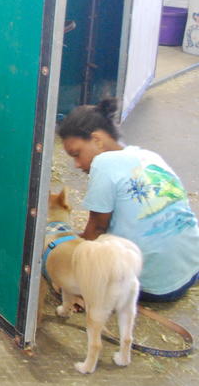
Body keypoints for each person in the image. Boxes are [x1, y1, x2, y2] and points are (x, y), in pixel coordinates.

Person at [58, 98, 199, 302]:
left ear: (97, 139)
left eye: (77, 154)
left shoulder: (103, 165)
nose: (77, 164)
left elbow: (96, 230)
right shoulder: (148, 156)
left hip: (154, 286)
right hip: (192, 267)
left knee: (57, 270)